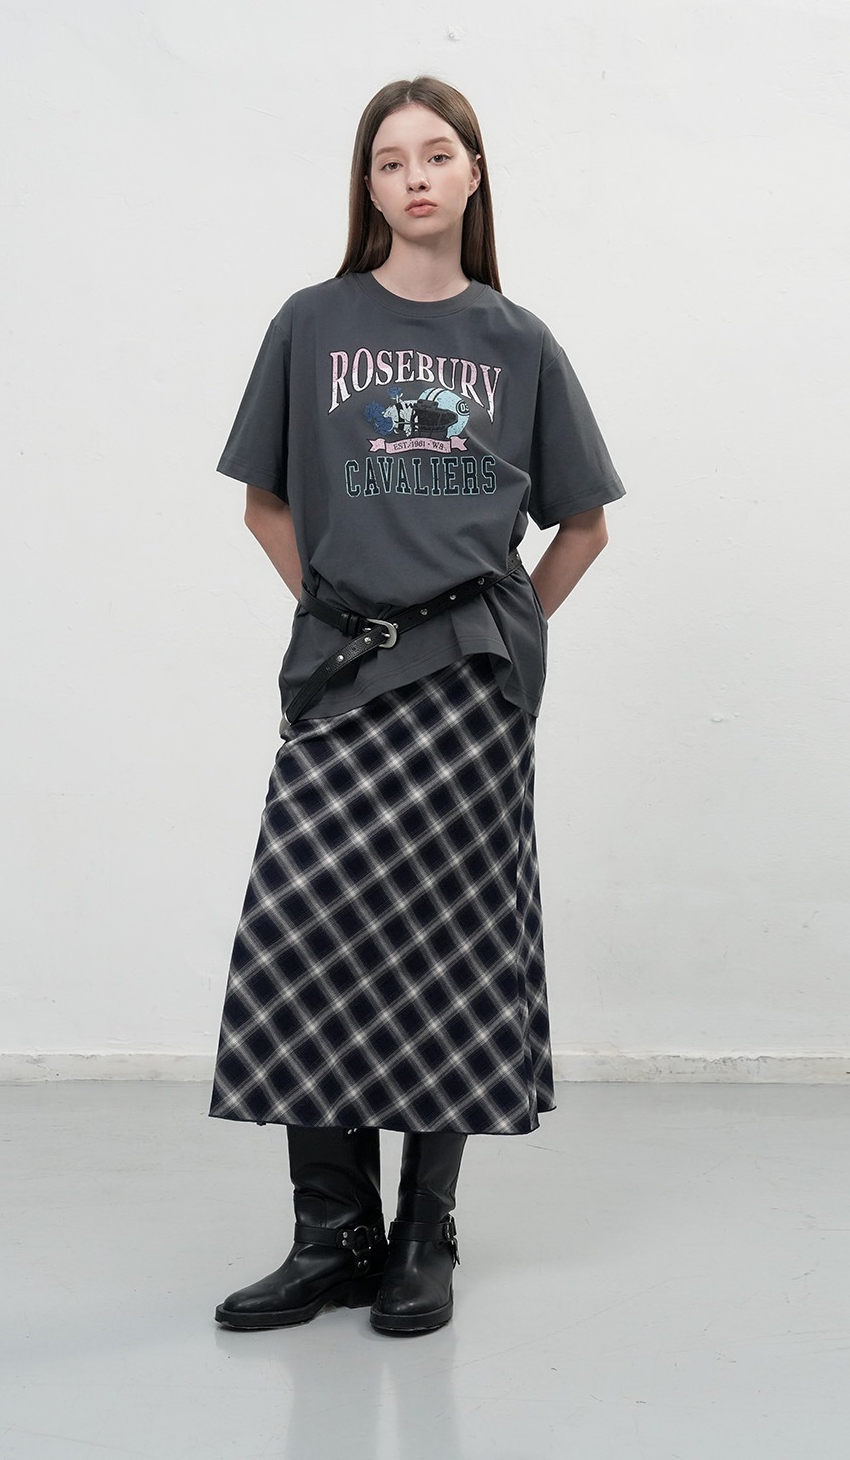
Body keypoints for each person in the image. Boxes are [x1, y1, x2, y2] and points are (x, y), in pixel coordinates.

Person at [207, 75, 626, 1335]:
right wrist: (347, 619)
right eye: (390, 162)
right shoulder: (313, 323)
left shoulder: (519, 341)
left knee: (449, 952)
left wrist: (501, 629)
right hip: (343, 679)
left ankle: (422, 1236)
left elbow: (584, 524)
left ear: (474, 172)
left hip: (470, 691)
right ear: (370, 188)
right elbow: (266, 505)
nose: (415, 177)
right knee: (307, 936)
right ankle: (329, 1236)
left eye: (436, 154)